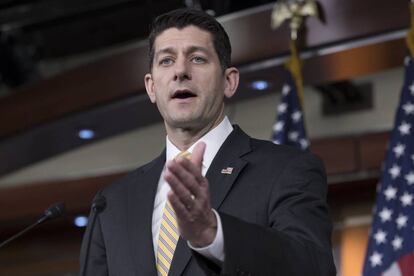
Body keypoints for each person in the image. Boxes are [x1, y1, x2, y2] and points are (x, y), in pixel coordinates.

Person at [80, 8, 336, 276]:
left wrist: (215, 235)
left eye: (198, 59)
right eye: (166, 61)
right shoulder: (112, 202)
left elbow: (313, 268)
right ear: (151, 87)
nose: (180, 71)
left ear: (229, 81)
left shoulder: (287, 170)